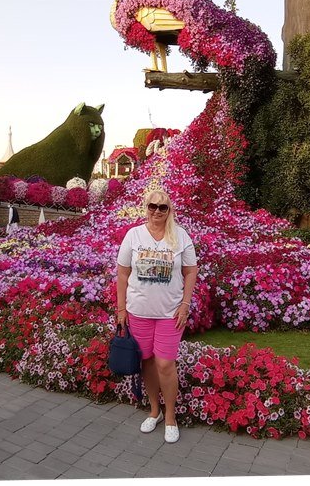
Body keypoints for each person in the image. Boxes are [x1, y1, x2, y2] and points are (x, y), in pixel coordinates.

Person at [116, 189, 198, 444]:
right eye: (153, 206)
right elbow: (122, 274)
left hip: (169, 314)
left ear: (169, 210)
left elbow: (191, 271)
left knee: (165, 364)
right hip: (138, 312)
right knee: (148, 363)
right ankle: (155, 411)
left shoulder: (180, 236)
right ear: (146, 207)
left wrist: (185, 304)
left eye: (163, 207)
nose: (157, 211)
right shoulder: (134, 235)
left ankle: (171, 416)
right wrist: (120, 309)